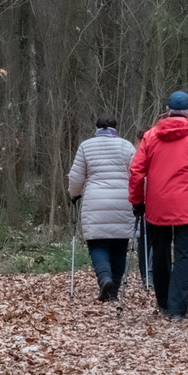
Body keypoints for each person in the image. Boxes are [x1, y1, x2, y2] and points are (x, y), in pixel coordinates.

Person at [128, 91, 188, 320]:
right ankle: (177, 308)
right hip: (186, 208)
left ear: (167, 110)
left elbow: (136, 171)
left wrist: (137, 201)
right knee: (182, 256)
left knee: (159, 254)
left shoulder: (150, 137)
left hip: (157, 207)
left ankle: (163, 302)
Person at [66, 114, 137, 302]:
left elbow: (75, 178)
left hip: (95, 203)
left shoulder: (86, 146)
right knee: (120, 246)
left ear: (96, 128)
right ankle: (113, 292)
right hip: (123, 202)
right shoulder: (126, 146)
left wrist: (73, 194)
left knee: (97, 244)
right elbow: (137, 174)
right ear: (116, 128)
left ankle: (104, 279)